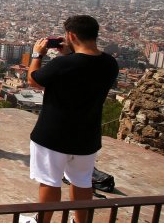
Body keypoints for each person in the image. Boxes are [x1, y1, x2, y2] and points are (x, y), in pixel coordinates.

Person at [22, 15, 118, 223]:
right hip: (87, 135)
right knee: (82, 181)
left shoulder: (63, 64)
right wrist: (68, 54)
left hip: (53, 134)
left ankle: (42, 222)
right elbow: (83, 70)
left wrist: (37, 54)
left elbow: (34, 80)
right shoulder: (110, 64)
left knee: (49, 181)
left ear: (71, 35)